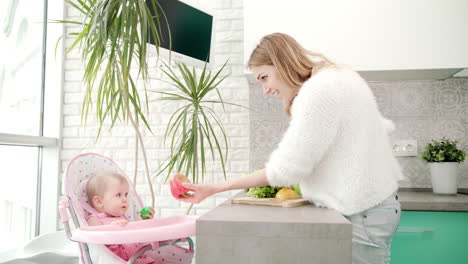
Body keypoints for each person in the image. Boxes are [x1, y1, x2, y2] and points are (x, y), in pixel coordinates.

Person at [176, 32, 404, 264]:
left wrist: (216, 187)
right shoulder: (339, 77)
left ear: (281, 64)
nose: (264, 89)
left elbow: (285, 170)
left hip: (364, 212)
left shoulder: (318, 91)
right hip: (375, 206)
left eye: (264, 77)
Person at [85, 171, 156, 264]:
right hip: (115, 261)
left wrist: (145, 221)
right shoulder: (94, 220)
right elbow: (95, 244)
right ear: (99, 202)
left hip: (137, 259)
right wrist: (111, 229)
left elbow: (136, 234)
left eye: (126, 194)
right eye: (118, 195)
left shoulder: (122, 217)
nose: (125, 199)